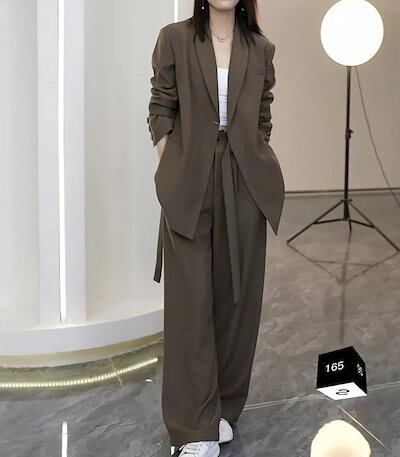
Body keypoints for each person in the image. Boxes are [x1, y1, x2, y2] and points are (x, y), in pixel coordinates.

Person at [146, 1, 285, 455]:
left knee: (236, 299)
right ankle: (193, 429)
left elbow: (262, 117)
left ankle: (222, 410)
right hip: (190, 181)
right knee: (190, 304)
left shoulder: (260, 48)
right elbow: (161, 107)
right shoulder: (175, 38)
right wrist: (173, 165)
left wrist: (253, 158)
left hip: (244, 181)